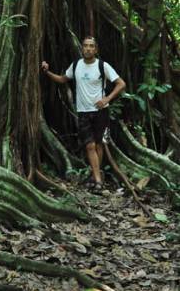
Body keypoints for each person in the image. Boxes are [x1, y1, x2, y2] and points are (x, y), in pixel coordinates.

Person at [41, 36, 126, 192]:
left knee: (99, 144)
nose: (88, 48)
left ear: (96, 49)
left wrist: (107, 99)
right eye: (85, 45)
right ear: (82, 48)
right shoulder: (76, 65)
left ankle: (95, 176)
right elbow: (62, 79)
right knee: (89, 145)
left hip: (101, 112)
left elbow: (121, 84)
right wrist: (47, 72)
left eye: (91, 46)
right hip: (83, 112)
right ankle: (98, 180)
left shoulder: (102, 66)